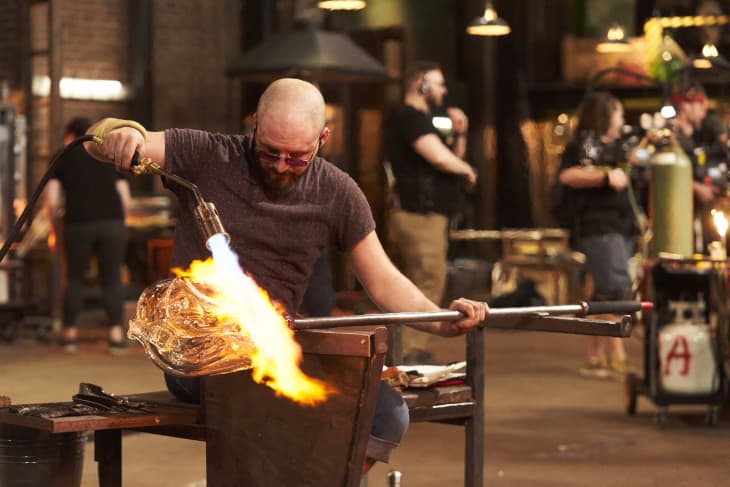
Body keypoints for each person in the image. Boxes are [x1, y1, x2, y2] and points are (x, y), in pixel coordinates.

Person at [84, 78, 488, 474]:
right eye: (270, 152)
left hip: (280, 348)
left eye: (296, 157)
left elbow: (383, 279)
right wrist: (124, 133)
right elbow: (95, 137)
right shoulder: (207, 155)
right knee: (280, 412)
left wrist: (441, 321)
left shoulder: (337, 192)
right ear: (255, 123)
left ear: (323, 138)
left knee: (386, 413)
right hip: (201, 355)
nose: (280, 166)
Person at [384, 61, 477, 364]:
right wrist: (467, 170)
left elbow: (449, 158)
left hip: (427, 216)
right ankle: (408, 351)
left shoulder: (422, 119)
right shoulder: (409, 117)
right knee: (429, 278)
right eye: (438, 83)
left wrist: (460, 134)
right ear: (421, 84)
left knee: (424, 279)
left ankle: (406, 349)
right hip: (418, 216)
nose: (443, 90)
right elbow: (439, 158)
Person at [558, 91, 639, 378]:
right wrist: (605, 177)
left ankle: (596, 357)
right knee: (613, 290)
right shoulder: (584, 143)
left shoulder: (621, 146)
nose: (622, 119)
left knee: (601, 291)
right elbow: (567, 175)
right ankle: (615, 355)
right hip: (599, 227)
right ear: (606, 115)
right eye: (618, 113)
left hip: (621, 226)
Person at [46, 117, 131, 354]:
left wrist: (54, 230)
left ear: (70, 135)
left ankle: (69, 335)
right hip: (112, 223)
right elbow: (124, 196)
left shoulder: (63, 155)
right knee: (112, 279)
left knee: (74, 277)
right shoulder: (106, 153)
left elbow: (52, 200)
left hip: (77, 223)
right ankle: (116, 336)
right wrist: (121, 223)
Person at [671, 83, 729, 252]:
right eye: (700, 105)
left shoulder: (699, 134)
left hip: (700, 211)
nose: (704, 112)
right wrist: (697, 188)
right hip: (676, 213)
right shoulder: (669, 134)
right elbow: (662, 176)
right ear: (685, 105)